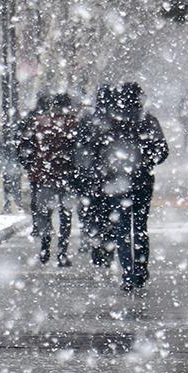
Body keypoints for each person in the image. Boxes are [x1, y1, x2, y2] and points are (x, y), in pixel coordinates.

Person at [96, 81, 168, 291]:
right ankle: (140, 269)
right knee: (140, 226)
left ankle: (128, 273)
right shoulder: (148, 120)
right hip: (142, 180)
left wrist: (108, 169)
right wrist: (147, 161)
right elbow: (162, 150)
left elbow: (98, 151)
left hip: (118, 182)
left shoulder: (111, 122)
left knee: (122, 228)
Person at [17, 92, 79, 266]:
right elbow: (79, 151)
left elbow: (24, 147)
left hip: (44, 176)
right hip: (66, 176)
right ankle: (62, 253)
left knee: (45, 215)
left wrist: (31, 166)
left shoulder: (39, 123)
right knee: (65, 217)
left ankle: (45, 249)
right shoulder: (73, 124)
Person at [74, 84, 117, 266]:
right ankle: (108, 248)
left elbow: (79, 147)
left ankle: (96, 247)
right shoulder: (117, 120)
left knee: (93, 213)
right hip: (111, 177)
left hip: (91, 176)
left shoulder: (88, 120)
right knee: (110, 213)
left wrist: (80, 172)